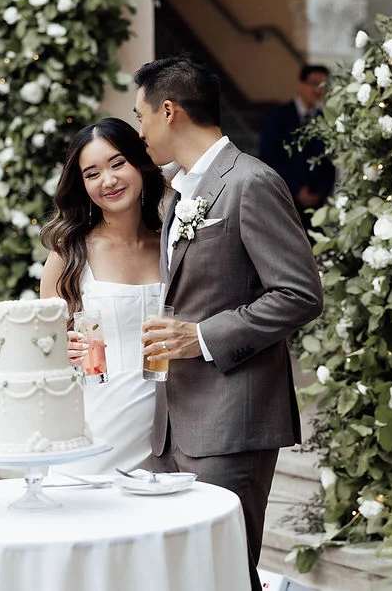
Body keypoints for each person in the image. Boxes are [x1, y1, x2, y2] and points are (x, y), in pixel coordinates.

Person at [133, 56, 323, 591]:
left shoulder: (251, 181)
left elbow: (299, 294)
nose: (139, 131)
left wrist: (201, 337)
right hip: (172, 423)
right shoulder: (178, 191)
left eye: (140, 116)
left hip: (232, 421)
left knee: (226, 574)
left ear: (168, 111)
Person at [40, 117, 167, 474]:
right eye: (92, 173)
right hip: (96, 424)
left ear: (139, 164)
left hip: (171, 424)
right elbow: (42, 349)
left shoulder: (173, 245)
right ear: (81, 185)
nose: (108, 181)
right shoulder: (68, 255)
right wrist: (60, 350)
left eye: (117, 164)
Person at [257, 64, 335, 232]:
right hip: (284, 200)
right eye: (314, 83)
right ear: (301, 84)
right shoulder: (278, 116)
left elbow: (329, 162)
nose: (319, 90)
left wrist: (320, 192)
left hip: (316, 207)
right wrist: (296, 190)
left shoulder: (325, 120)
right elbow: (268, 158)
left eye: (323, 85)